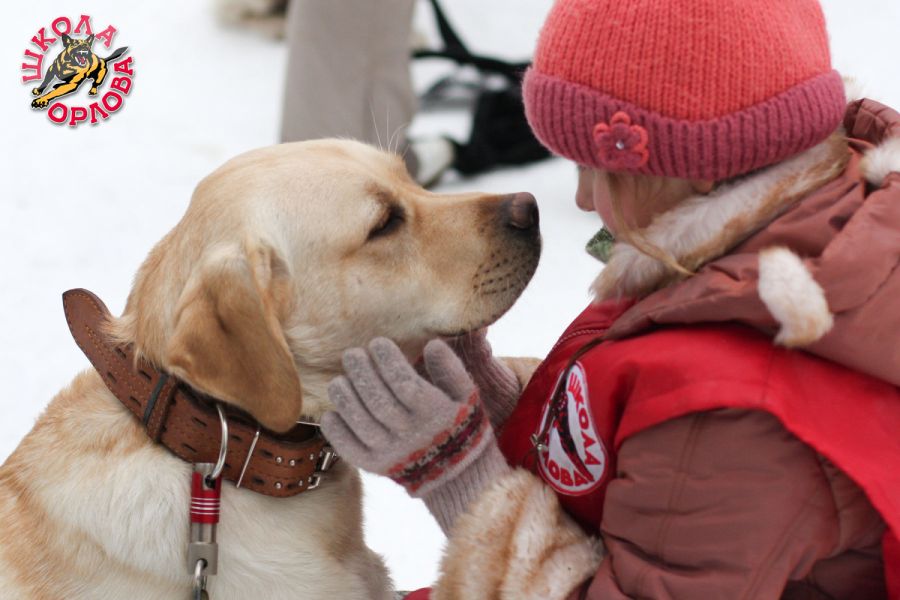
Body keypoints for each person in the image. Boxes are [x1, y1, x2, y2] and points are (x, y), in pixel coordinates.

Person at [322, 0, 900, 597]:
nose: (580, 199)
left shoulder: (727, 410)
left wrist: (458, 473)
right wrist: (492, 402)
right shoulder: (734, 258)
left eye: (594, 170)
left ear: (701, 166)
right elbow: (628, 444)